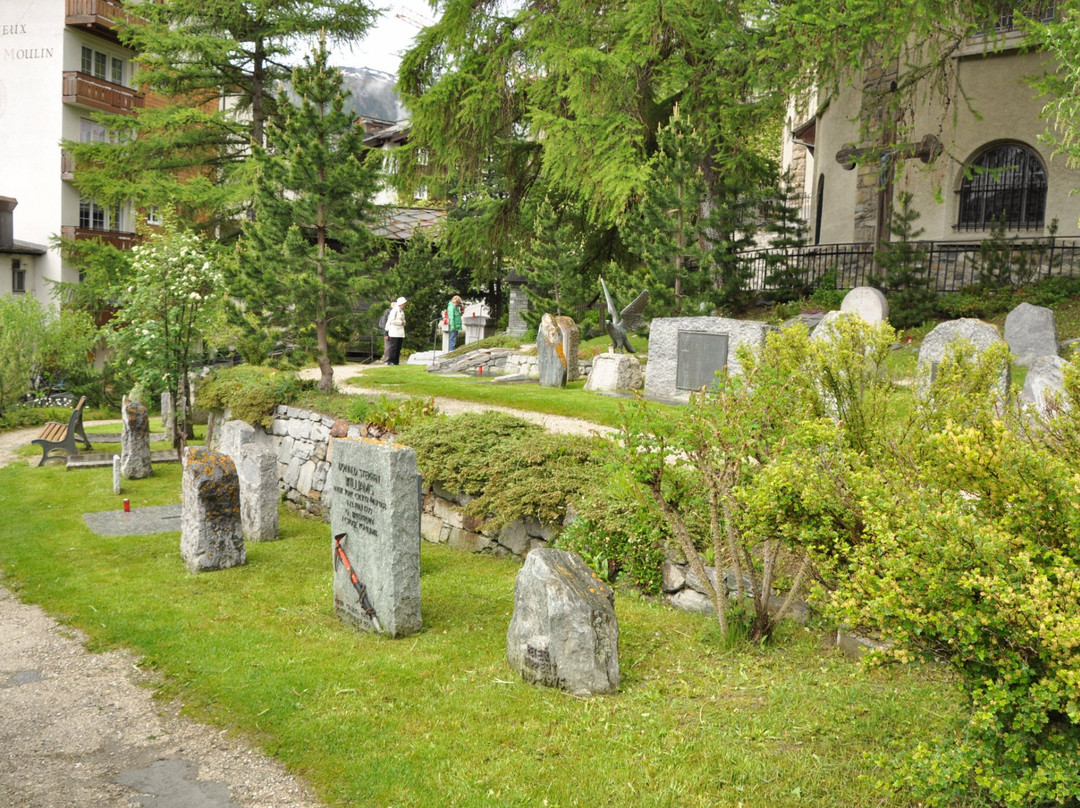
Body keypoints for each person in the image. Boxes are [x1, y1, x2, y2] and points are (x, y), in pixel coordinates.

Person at [385, 297, 407, 365]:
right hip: (394, 332)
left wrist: (403, 322)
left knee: (398, 347)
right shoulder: (394, 310)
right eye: (404, 304)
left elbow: (403, 320)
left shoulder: (401, 311)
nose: (405, 305)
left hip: (400, 332)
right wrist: (400, 322)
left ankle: (396, 361)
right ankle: (391, 361)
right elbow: (391, 320)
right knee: (393, 347)